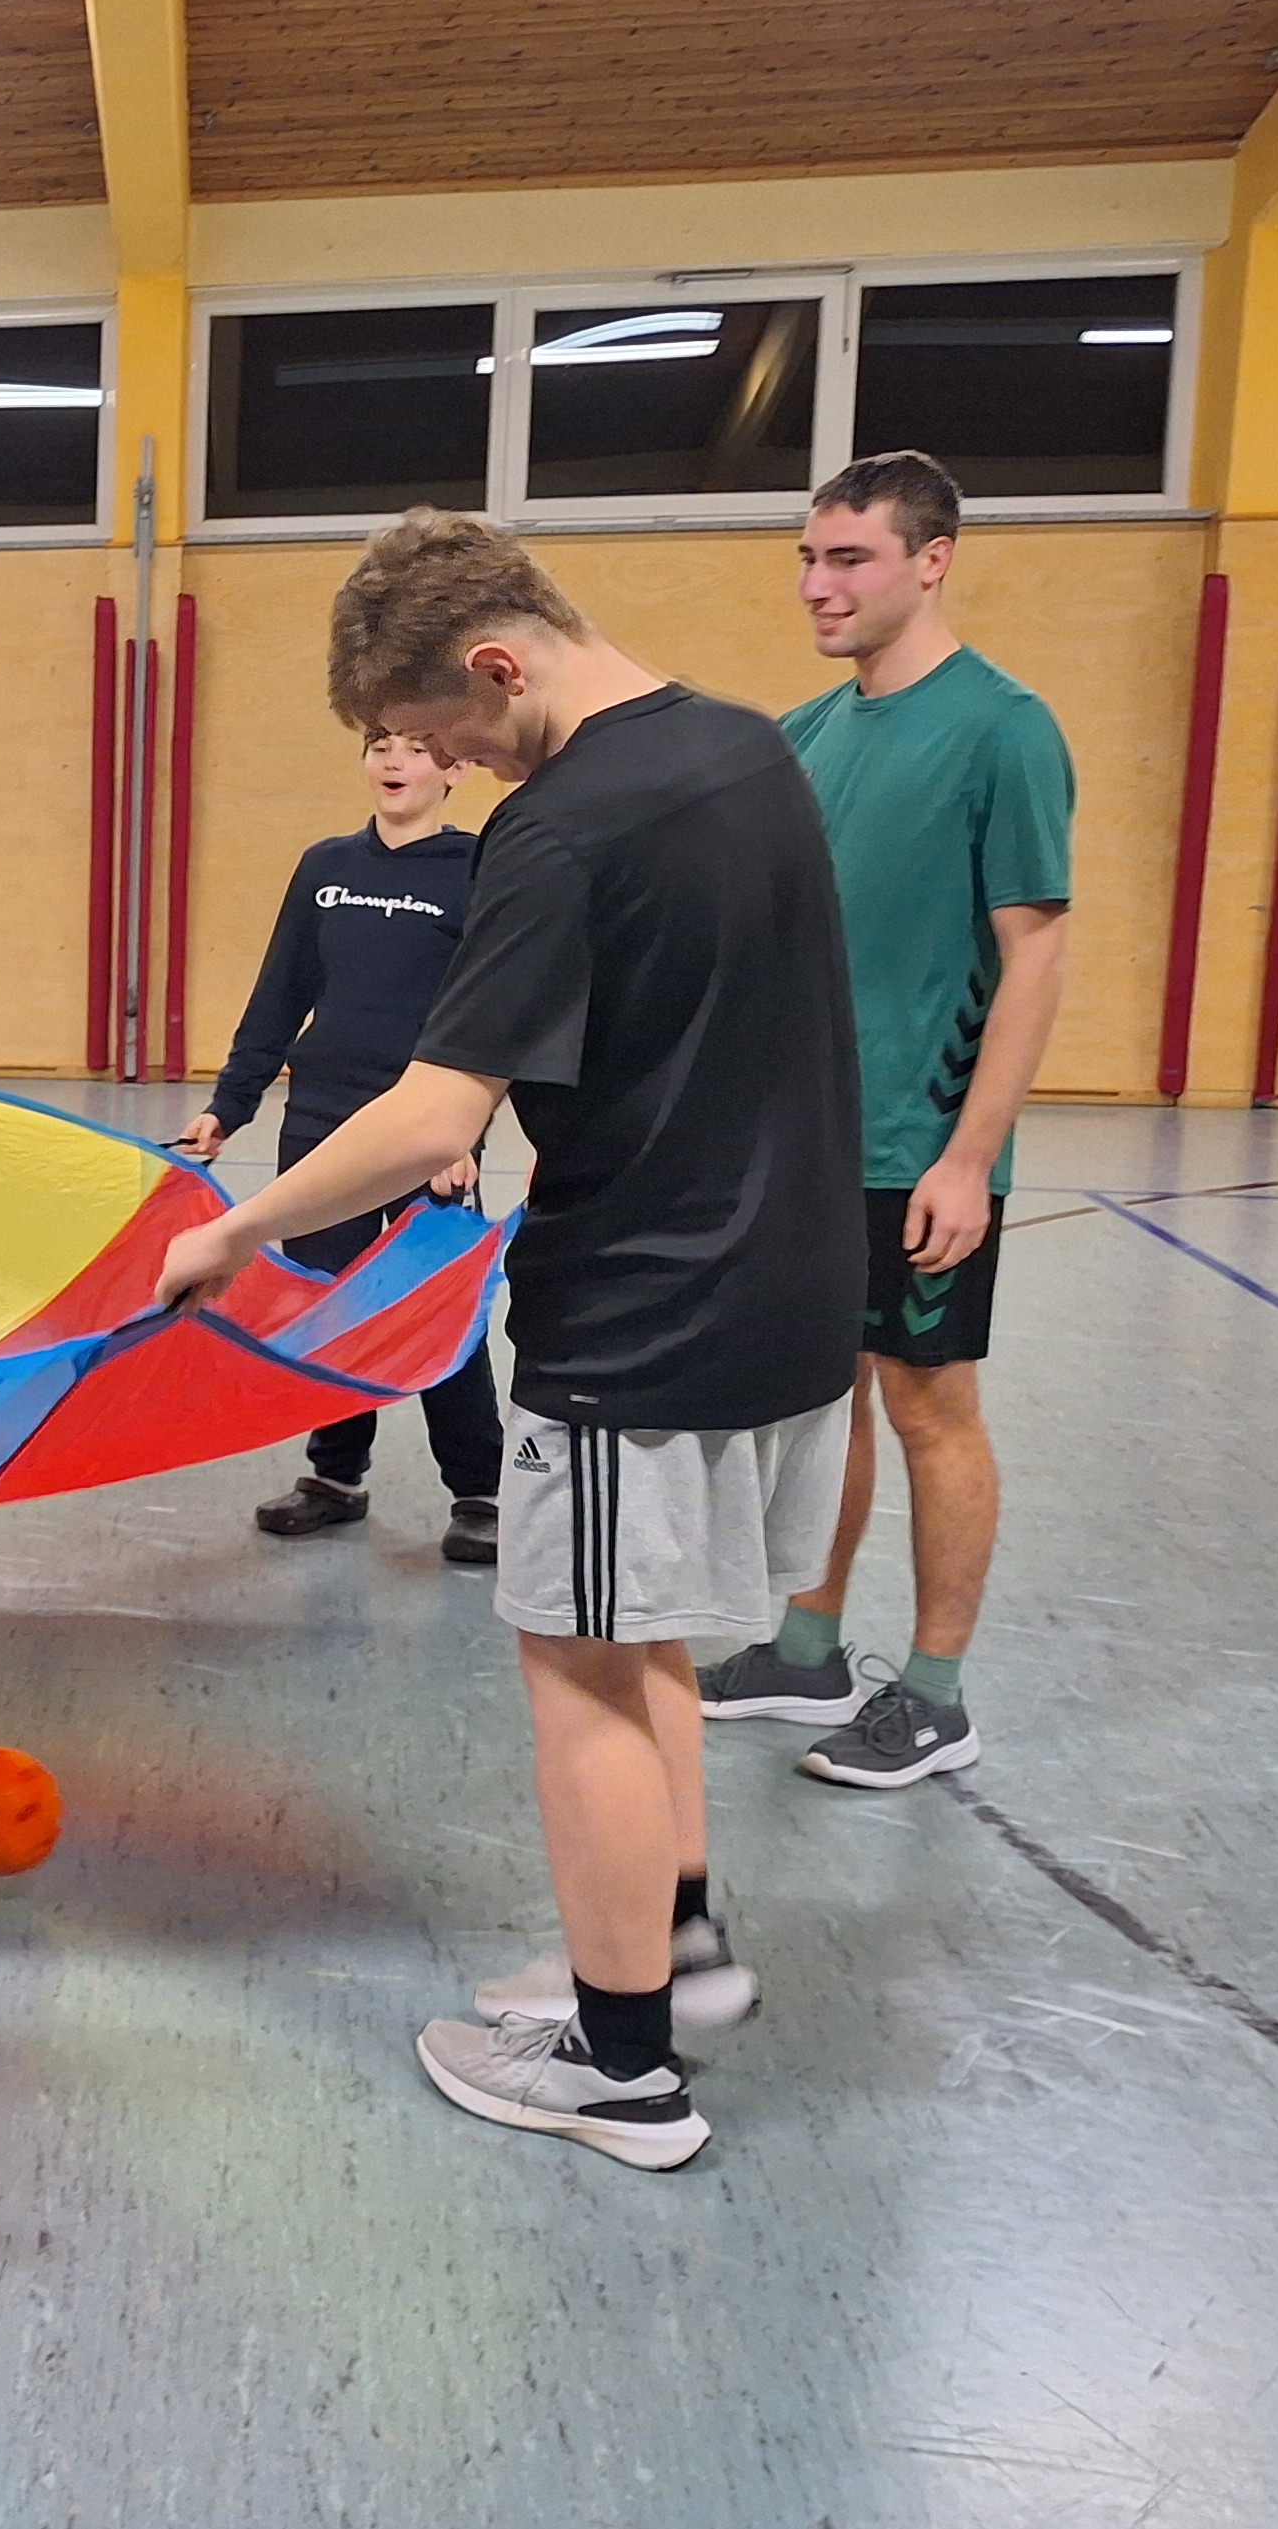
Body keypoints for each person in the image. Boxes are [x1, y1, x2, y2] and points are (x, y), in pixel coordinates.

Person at [158, 509, 862, 2173]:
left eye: (448, 734)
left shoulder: (561, 828)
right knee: (653, 1639)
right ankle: (668, 1956)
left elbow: (428, 1115)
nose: (451, 769)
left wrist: (232, 1231)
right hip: (787, 1294)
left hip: (643, 1317)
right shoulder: (745, 748)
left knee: (576, 1675)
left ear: (500, 663)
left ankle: (621, 2072)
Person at [695, 453, 1075, 1792]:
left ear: (932, 559)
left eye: (848, 558)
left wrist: (969, 1159)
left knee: (930, 1405)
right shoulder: (805, 735)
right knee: (821, 1402)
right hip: (807, 1149)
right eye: (809, 558)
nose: (818, 584)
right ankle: (806, 1647)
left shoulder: (1004, 729)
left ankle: (937, 1692)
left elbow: (1035, 951)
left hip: (923, 1147)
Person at [177, 724, 504, 1566]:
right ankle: (335, 1476)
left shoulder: (477, 870)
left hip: (423, 1131)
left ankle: (480, 1490)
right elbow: (280, 991)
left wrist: (464, 1131)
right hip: (321, 1121)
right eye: (379, 745)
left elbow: (493, 1014)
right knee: (326, 1301)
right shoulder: (327, 868)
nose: (394, 762)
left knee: (435, 1311)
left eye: (416, 748)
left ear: (457, 768)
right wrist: (228, 1105)